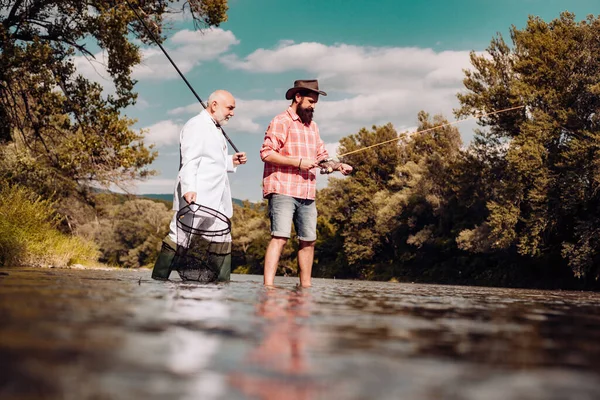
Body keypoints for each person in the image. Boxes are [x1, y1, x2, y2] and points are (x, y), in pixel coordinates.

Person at [260, 80, 352, 287]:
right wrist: (299, 163)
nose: (313, 106)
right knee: (280, 237)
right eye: (311, 101)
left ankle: (306, 288)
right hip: (282, 189)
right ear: (297, 97)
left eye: (316, 103)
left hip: (308, 193)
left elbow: (322, 157)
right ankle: (268, 288)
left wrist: (338, 166)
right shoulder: (281, 121)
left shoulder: (314, 127)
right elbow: (266, 153)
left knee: (309, 241)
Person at [152, 89, 247, 281]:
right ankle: (158, 282)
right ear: (214, 106)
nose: (232, 113)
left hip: (217, 201)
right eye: (230, 108)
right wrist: (188, 189)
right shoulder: (196, 125)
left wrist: (231, 161)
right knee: (179, 238)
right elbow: (190, 160)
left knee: (222, 240)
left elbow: (212, 161)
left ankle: (221, 288)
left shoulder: (215, 127)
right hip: (197, 198)